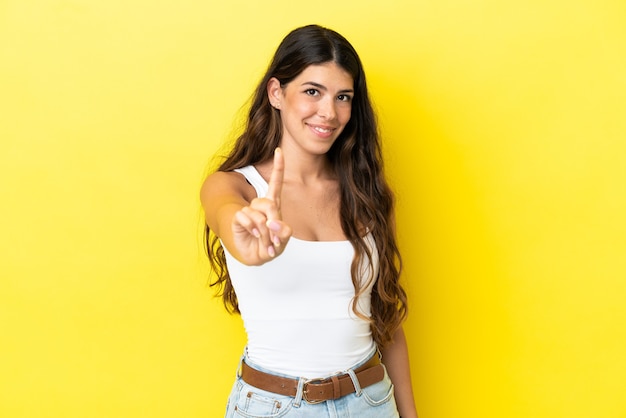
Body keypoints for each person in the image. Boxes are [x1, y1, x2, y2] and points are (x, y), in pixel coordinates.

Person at [200, 24, 418, 418]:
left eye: (343, 97)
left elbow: (387, 323)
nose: (329, 113)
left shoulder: (366, 194)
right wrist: (242, 227)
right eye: (312, 92)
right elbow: (225, 213)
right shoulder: (237, 188)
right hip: (274, 407)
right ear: (276, 93)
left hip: (371, 401)